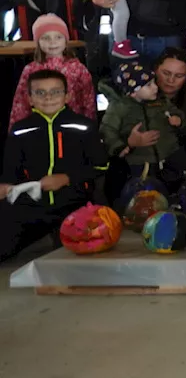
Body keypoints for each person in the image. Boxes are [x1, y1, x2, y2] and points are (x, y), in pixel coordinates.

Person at [0, 70, 108, 263]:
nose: (48, 97)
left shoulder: (84, 126)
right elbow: (10, 168)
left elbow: (101, 166)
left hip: (74, 204)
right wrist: (6, 186)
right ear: (30, 99)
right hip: (31, 206)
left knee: (80, 259)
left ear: (67, 96)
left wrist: (66, 178)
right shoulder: (20, 130)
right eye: (40, 92)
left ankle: (59, 236)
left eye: (55, 92)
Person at [99, 61, 186, 191]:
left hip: (170, 154)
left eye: (154, 82)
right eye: (148, 85)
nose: (155, 87)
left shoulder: (161, 101)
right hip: (140, 162)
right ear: (133, 92)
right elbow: (107, 129)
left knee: (179, 186)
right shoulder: (119, 108)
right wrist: (123, 145)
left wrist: (179, 120)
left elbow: (178, 114)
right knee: (145, 192)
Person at [10, 15, 95, 127]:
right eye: (46, 38)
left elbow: (88, 101)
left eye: (58, 37)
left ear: (66, 40)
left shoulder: (78, 68)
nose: (52, 42)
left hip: (71, 126)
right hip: (39, 126)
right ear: (38, 42)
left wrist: (90, 129)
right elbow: (21, 103)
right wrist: (15, 131)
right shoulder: (30, 69)